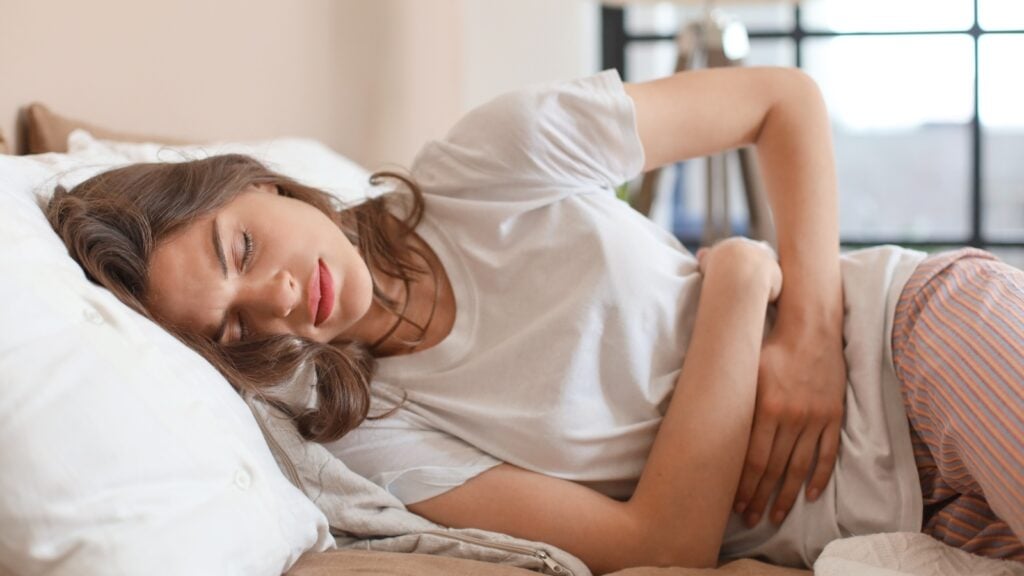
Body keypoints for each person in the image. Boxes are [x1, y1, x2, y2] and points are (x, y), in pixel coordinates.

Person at [46, 66, 1024, 572]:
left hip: (908, 346)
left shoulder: (488, 163)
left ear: (262, 184)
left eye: (242, 250)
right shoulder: (383, 438)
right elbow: (662, 547)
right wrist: (735, 284)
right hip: (906, 523)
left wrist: (805, 329)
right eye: (229, 331)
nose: (275, 303)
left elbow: (781, 99)